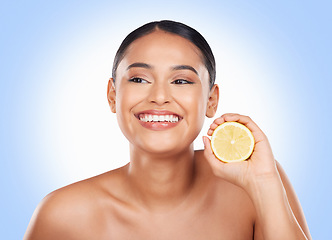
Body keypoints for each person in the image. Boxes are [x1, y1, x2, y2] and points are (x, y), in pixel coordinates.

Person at [24, 20, 311, 240]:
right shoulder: (61, 215)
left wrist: (264, 184)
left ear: (211, 100)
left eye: (182, 81)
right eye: (139, 79)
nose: (159, 96)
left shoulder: (254, 186)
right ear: (113, 95)